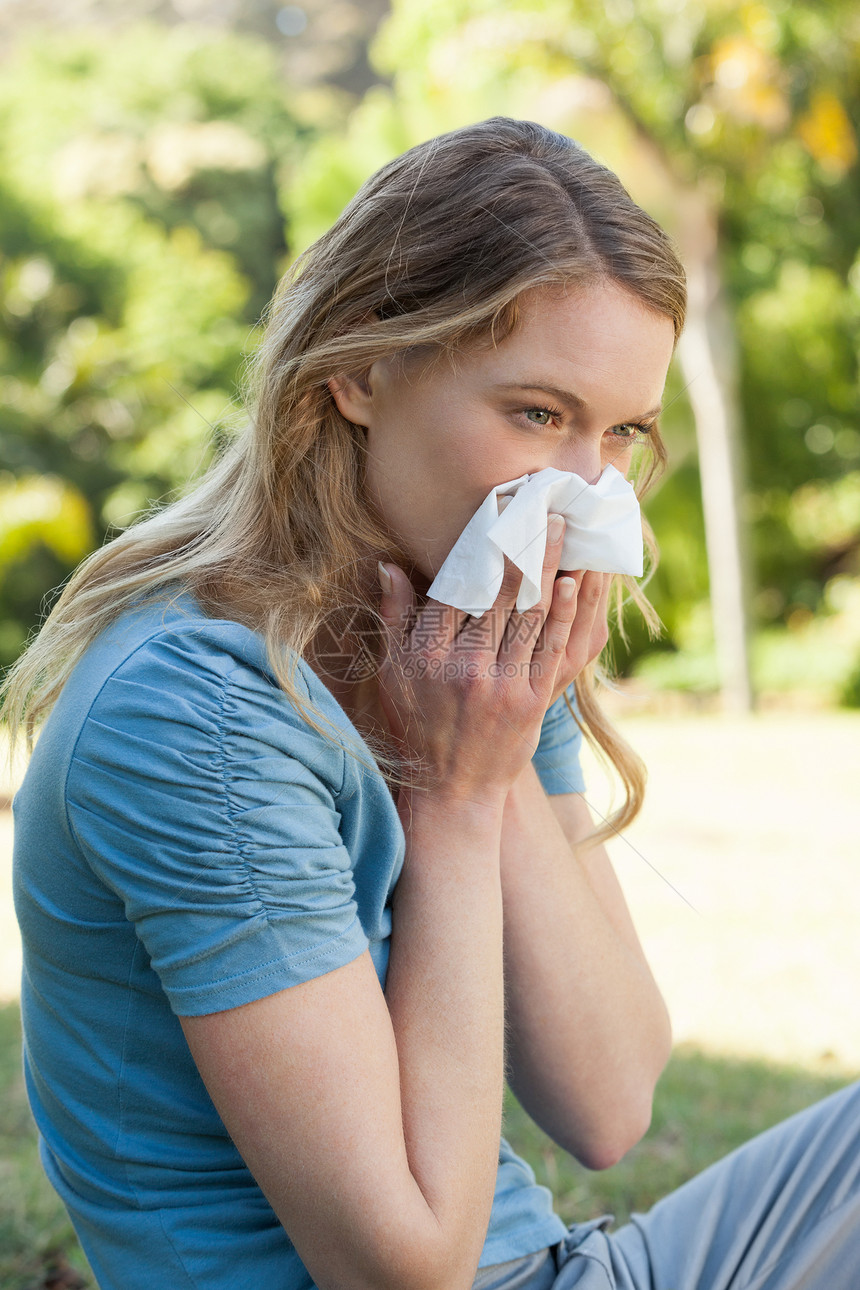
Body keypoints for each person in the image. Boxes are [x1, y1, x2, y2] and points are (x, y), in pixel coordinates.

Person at [4, 117, 858, 1290]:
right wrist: (451, 797)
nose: (580, 496)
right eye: (536, 414)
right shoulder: (196, 712)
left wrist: (491, 761)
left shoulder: (466, 646)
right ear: (358, 369)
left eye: (618, 435)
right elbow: (398, 1270)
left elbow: (607, 1099)